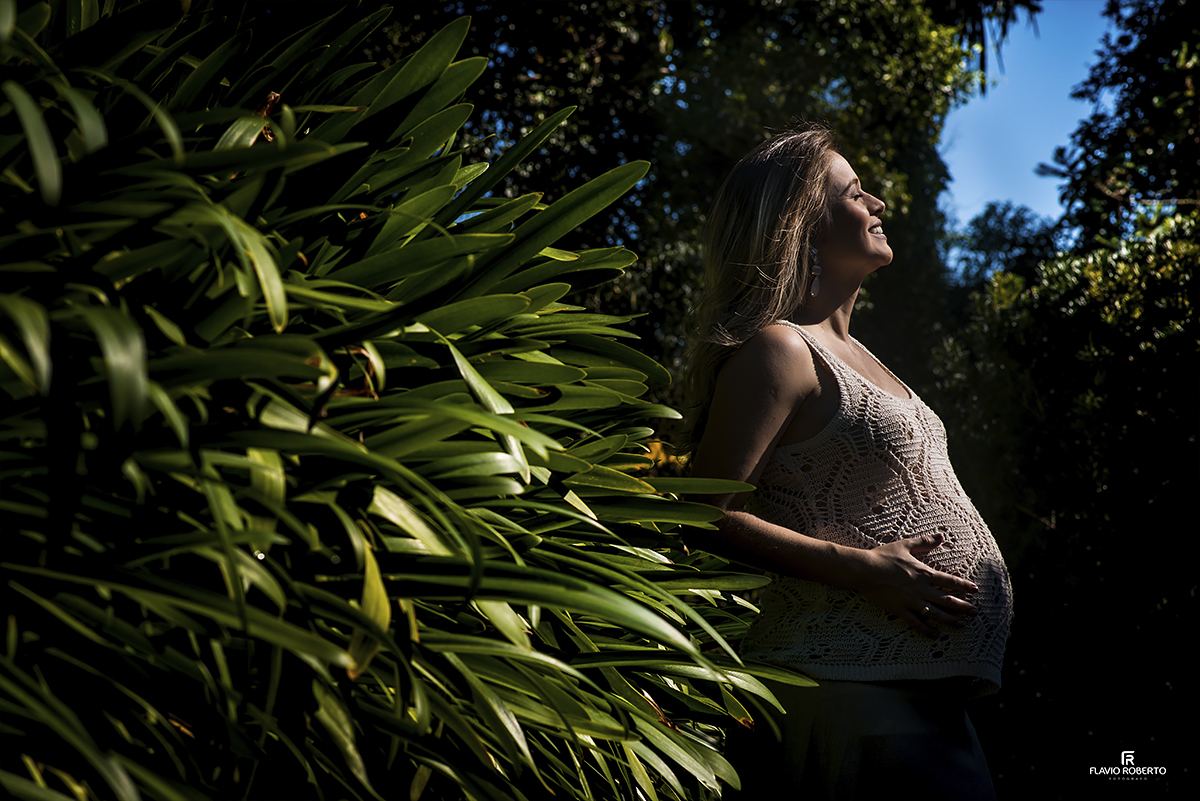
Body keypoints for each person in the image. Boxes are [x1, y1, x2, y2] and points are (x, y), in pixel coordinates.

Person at [680, 123, 1013, 800]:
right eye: (856, 193)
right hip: (845, 693)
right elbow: (699, 512)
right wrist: (864, 568)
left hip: (917, 697)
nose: (878, 204)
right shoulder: (781, 349)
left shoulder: (862, 357)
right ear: (800, 226)